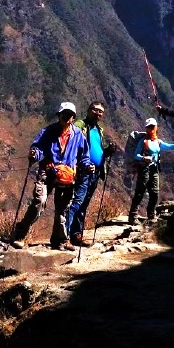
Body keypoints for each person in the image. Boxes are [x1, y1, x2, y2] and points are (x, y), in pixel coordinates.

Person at [11, 102, 91, 249]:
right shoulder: (48, 131)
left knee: (63, 209)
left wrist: (87, 166)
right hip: (47, 174)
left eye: (70, 115)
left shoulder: (78, 135)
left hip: (66, 176)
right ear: (59, 115)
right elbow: (38, 147)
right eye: (64, 114)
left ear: (73, 117)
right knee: (39, 202)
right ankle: (20, 234)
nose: (67, 117)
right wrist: (35, 154)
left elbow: (84, 156)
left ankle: (59, 241)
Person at [65, 102, 120, 247]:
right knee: (76, 202)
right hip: (83, 171)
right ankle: (65, 235)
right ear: (89, 110)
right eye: (95, 110)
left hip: (95, 171)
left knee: (83, 204)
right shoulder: (80, 125)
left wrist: (108, 151)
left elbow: (98, 151)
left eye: (101, 111)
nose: (98, 113)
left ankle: (76, 234)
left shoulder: (98, 130)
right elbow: (72, 145)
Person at [128, 117, 174, 226]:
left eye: (152, 127)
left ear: (156, 127)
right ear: (146, 129)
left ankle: (151, 216)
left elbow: (168, 146)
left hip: (154, 169)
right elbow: (136, 155)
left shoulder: (158, 141)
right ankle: (133, 216)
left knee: (154, 193)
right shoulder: (143, 141)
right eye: (149, 127)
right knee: (140, 192)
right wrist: (144, 158)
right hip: (144, 169)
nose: (151, 129)